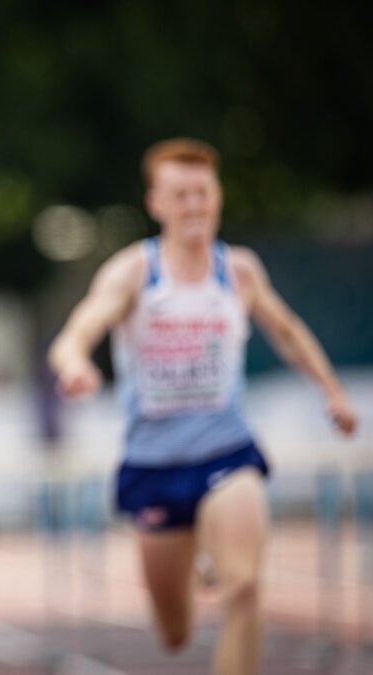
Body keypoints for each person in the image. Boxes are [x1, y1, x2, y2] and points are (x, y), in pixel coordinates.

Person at [48, 138, 358, 674]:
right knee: (174, 632)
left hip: (225, 449)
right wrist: (77, 364)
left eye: (202, 193)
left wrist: (331, 392)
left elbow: (286, 332)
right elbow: (75, 333)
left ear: (217, 196)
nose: (193, 205)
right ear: (157, 204)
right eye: (180, 195)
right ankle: (193, 562)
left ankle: (218, 562)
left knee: (244, 588)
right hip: (153, 465)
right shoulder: (135, 272)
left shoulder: (237, 271)